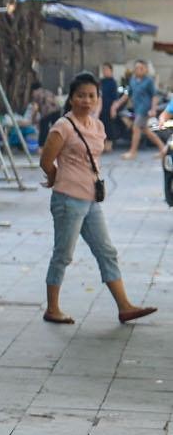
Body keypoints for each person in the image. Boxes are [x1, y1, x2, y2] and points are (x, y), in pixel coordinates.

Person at [39, 73, 155, 326]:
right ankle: (52, 308)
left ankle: (124, 307)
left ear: (98, 98)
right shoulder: (64, 126)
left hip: (91, 200)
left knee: (107, 252)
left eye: (91, 96)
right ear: (71, 98)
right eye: (81, 95)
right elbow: (46, 160)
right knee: (63, 255)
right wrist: (55, 177)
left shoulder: (97, 126)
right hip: (68, 199)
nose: (86, 100)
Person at [123, 61, 168, 159]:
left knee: (136, 128)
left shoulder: (149, 81)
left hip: (145, 109)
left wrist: (153, 109)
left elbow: (154, 96)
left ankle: (133, 152)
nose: (139, 70)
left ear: (146, 69)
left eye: (141, 68)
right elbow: (128, 93)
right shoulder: (133, 80)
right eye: (137, 68)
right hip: (137, 109)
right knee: (147, 131)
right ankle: (163, 149)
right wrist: (117, 103)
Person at [99, 64, 127, 147]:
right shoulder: (101, 81)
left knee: (109, 126)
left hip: (109, 107)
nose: (105, 71)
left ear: (111, 71)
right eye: (103, 70)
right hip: (101, 107)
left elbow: (115, 98)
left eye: (106, 70)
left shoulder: (113, 82)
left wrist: (113, 109)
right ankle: (103, 144)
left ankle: (109, 144)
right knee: (101, 126)